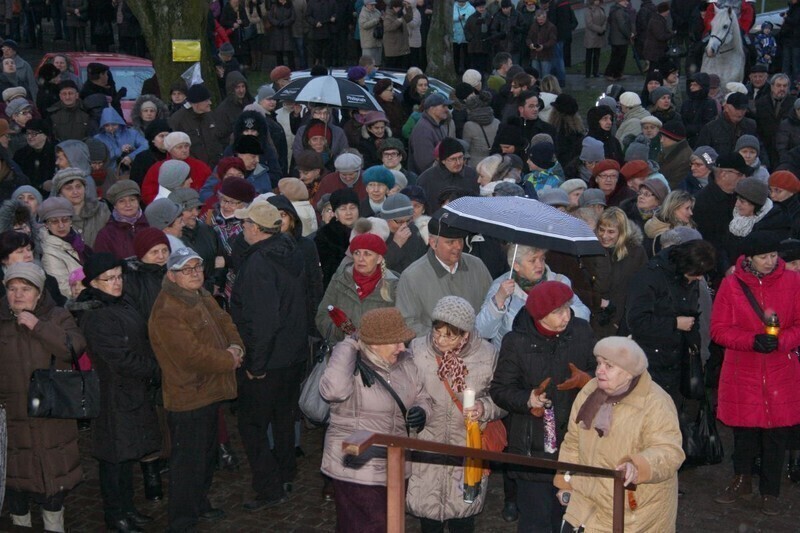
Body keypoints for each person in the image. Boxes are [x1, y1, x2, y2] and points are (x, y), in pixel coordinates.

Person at [149, 247, 244, 532]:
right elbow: (190, 355)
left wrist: (236, 346)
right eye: (187, 270)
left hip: (209, 391)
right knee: (187, 462)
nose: (195, 274)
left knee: (204, 456)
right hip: (188, 395)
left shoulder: (200, 295)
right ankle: (181, 520)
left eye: (198, 268)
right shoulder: (168, 310)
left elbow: (225, 321)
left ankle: (198, 502)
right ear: (172, 275)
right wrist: (229, 358)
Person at [490, 280, 595, 532]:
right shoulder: (516, 342)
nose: (566, 315)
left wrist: (588, 379)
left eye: (568, 308)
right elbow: (500, 390)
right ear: (539, 316)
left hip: (575, 442)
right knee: (536, 522)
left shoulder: (582, 332)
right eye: (558, 311)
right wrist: (528, 399)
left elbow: (602, 372)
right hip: (532, 448)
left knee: (572, 519)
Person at [554, 336, 685, 531]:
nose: (599, 370)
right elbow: (573, 441)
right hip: (584, 506)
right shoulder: (590, 392)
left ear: (629, 372)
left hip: (633, 514)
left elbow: (669, 451)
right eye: (599, 363)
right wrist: (565, 481)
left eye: (609, 366)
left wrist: (638, 465)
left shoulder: (655, 402)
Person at [710, 231, 800, 515]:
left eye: (774, 256)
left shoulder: (794, 281)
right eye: (764, 257)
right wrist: (751, 341)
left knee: (776, 434)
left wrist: (782, 341)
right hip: (743, 369)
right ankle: (742, 480)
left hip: (780, 369)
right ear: (748, 258)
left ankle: (770, 491)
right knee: (744, 432)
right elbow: (718, 329)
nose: (770, 262)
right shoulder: (731, 284)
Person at [320, 307, 431, 532]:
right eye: (395, 342)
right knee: (372, 526)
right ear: (374, 343)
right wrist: (348, 345)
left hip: (395, 465)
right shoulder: (351, 365)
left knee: (390, 525)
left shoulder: (406, 361)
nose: (402, 347)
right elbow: (333, 391)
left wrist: (422, 411)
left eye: (403, 341)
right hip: (358, 468)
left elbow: (422, 396)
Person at [229, 200, 309, 510]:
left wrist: (256, 365)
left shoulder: (259, 262)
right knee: (283, 417)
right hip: (292, 354)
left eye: (246, 224)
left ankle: (269, 487)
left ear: (258, 230)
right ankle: (286, 472)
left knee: (251, 425)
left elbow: (263, 320)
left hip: (269, 360)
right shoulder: (291, 251)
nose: (242, 229)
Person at [78, 253, 160, 533]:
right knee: (114, 458)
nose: (116, 282)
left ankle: (128, 508)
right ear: (93, 282)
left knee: (128, 454)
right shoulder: (97, 315)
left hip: (131, 391)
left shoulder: (121, 303)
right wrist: (154, 368)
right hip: (113, 394)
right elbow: (120, 358)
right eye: (109, 278)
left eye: (119, 276)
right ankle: (115, 514)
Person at [0, 261, 85, 532]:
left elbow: (74, 348)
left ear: (39, 293)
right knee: (15, 482)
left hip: (52, 414)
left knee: (52, 480)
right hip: (12, 417)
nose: (18, 295)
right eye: (12, 288)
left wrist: (38, 326)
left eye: (26, 288)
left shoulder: (57, 316)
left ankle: (54, 526)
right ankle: (20, 524)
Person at [406, 296, 505, 531]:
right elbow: (406, 391)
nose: (440, 340)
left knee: (463, 517)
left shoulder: (487, 355)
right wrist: (416, 412)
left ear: (466, 334)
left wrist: (484, 408)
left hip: (467, 447)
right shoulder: (418, 350)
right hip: (427, 446)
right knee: (428, 517)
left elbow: (502, 399)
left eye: (449, 335)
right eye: (437, 332)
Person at [624, 239, 715, 406]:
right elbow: (636, 321)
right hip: (650, 361)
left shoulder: (689, 278)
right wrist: (674, 323)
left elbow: (693, 316)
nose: (700, 277)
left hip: (678, 362)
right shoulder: (650, 277)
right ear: (686, 265)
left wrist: (698, 356)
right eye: (697, 273)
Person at [476, 244, 591, 349]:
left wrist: (557, 307)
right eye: (532, 260)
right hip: (511, 360)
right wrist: (499, 300)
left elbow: (584, 315)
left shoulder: (558, 282)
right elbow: (482, 331)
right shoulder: (501, 286)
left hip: (551, 357)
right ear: (516, 265)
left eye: (542, 258)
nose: (540, 265)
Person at [397, 216, 492, 335]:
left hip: (475, 345)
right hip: (432, 349)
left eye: (460, 240)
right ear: (433, 243)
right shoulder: (412, 276)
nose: (458, 246)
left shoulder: (477, 266)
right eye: (450, 242)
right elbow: (407, 322)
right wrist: (441, 338)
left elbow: (489, 306)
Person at [316, 232, 398, 343]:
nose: (361, 259)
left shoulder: (393, 286)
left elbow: (400, 323)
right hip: (343, 350)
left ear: (379, 259)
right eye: (357, 253)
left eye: (367, 254)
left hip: (378, 353)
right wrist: (343, 333)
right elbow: (322, 316)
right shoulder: (340, 280)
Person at [594, 207, 647, 337]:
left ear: (622, 232)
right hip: (596, 319)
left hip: (623, 322)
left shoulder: (636, 253)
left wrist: (624, 320)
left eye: (611, 232)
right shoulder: (592, 251)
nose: (604, 236)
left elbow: (642, 290)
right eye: (601, 230)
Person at [38, 196, 92, 299]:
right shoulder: (49, 253)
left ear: (71, 221)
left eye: (65, 220)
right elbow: (63, 290)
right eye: (54, 221)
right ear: (46, 225)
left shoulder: (78, 242)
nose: (61, 225)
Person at [316, 188, 361, 288]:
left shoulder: (368, 230)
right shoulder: (325, 236)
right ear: (335, 213)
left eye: (352, 208)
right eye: (343, 208)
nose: (348, 213)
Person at [93, 181, 149, 261]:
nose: (128, 204)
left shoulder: (150, 225)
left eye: (132, 200)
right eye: (122, 201)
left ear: (138, 201)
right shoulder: (106, 235)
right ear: (115, 205)